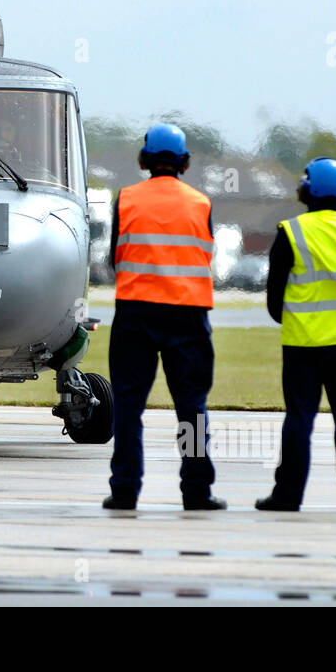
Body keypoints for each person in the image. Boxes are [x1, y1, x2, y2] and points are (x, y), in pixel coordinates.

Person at [103, 123, 226, 511]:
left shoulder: (125, 199)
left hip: (136, 313)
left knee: (128, 406)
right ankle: (196, 492)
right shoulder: (201, 203)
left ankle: (124, 491)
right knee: (192, 410)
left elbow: (112, 260)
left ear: (144, 160)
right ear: (185, 163)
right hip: (187, 316)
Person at [256, 158, 336, 513]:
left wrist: (294, 319)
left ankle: (288, 496)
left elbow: (274, 297)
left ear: (306, 191)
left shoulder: (291, 232)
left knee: (299, 418)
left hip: (303, 344)